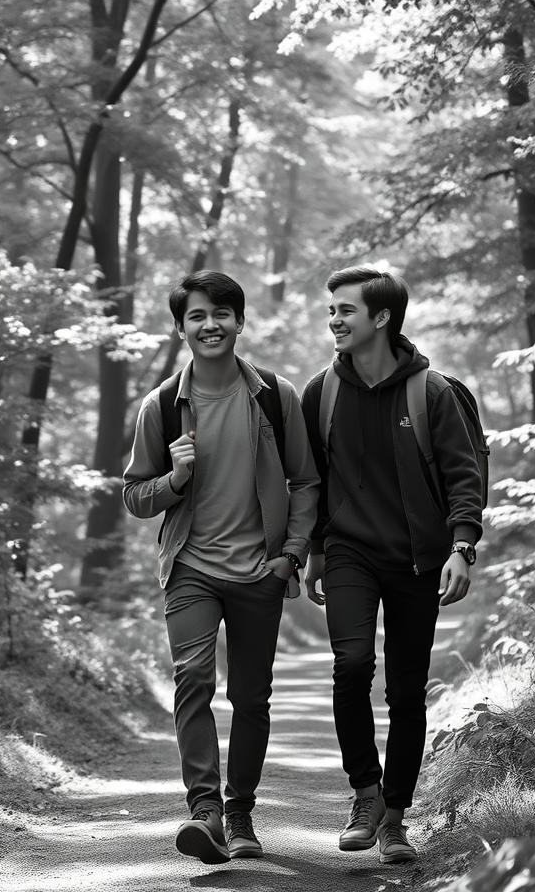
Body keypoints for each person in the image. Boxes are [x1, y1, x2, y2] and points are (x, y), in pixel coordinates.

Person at [122, 270, 319, 865]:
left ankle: (240, 812)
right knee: (193, 682)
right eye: (197, 316)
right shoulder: (160, 405)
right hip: (191, 568)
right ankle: (204, 812)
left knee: (252, 697)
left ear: (239, 320)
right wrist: (174, 479)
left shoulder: (275, 397)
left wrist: (290, 557)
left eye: (222, 314)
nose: (211, 325)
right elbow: (134, 496)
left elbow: (306, 481)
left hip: (261, 570)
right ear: (180, 327)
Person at [300, 265, 483, 865]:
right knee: (351, 664)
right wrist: (314, 551)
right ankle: (366, 794)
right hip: (350, 550)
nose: (334, 321)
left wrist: (461, 546)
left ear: (381, 318)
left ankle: (397, 819)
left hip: (416, 557)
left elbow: (463, 474)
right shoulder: (319, 392)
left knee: (406, 691)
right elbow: (312, 482)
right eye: (331, 310)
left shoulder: (432, 392)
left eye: (345, 310)